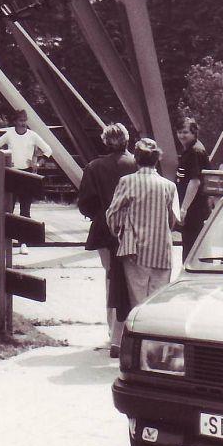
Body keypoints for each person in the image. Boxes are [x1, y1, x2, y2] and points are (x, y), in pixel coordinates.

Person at [78, 123, 136, 357]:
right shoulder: (137, 164)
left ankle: (112, 329)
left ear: (105, 141)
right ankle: (128, 328)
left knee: (111, 276)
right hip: (133, 226)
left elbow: (85, 202)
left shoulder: (94, 167)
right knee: (132, 277)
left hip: (104, 228)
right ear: (127, 139)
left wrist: (101, 215)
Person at [106, 138, 179, 314]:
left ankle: (138, 331)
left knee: (138, 303)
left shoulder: (127, 181)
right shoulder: (169, 186)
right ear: (157, 158)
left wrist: (119, 231)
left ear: (136, 158)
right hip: (162, 251)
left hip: (135, 251)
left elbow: (112, 213)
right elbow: (173, 219)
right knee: (157, 303)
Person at [0, 109, 52, 256]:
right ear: (15, 121)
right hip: (11, 174)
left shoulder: (32, 135)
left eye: (24, 120)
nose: (23, 123)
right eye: (20, 120)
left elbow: (48, 150)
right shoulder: (9, 133)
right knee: (6, 210)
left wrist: (38, 163)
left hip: (26, 175)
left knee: (25, 211)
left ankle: (23, 243)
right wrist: (2, 160)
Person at [175, 117, 211, 261]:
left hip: (195, 210)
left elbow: (195, 181)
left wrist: (183, 209)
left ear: (194, 133)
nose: (181, 136)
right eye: (179, 132)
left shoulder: (195, 151)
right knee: (191, 247)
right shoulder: (189, 150)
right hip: (192, 208)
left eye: (185, 132)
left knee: (191, 250)